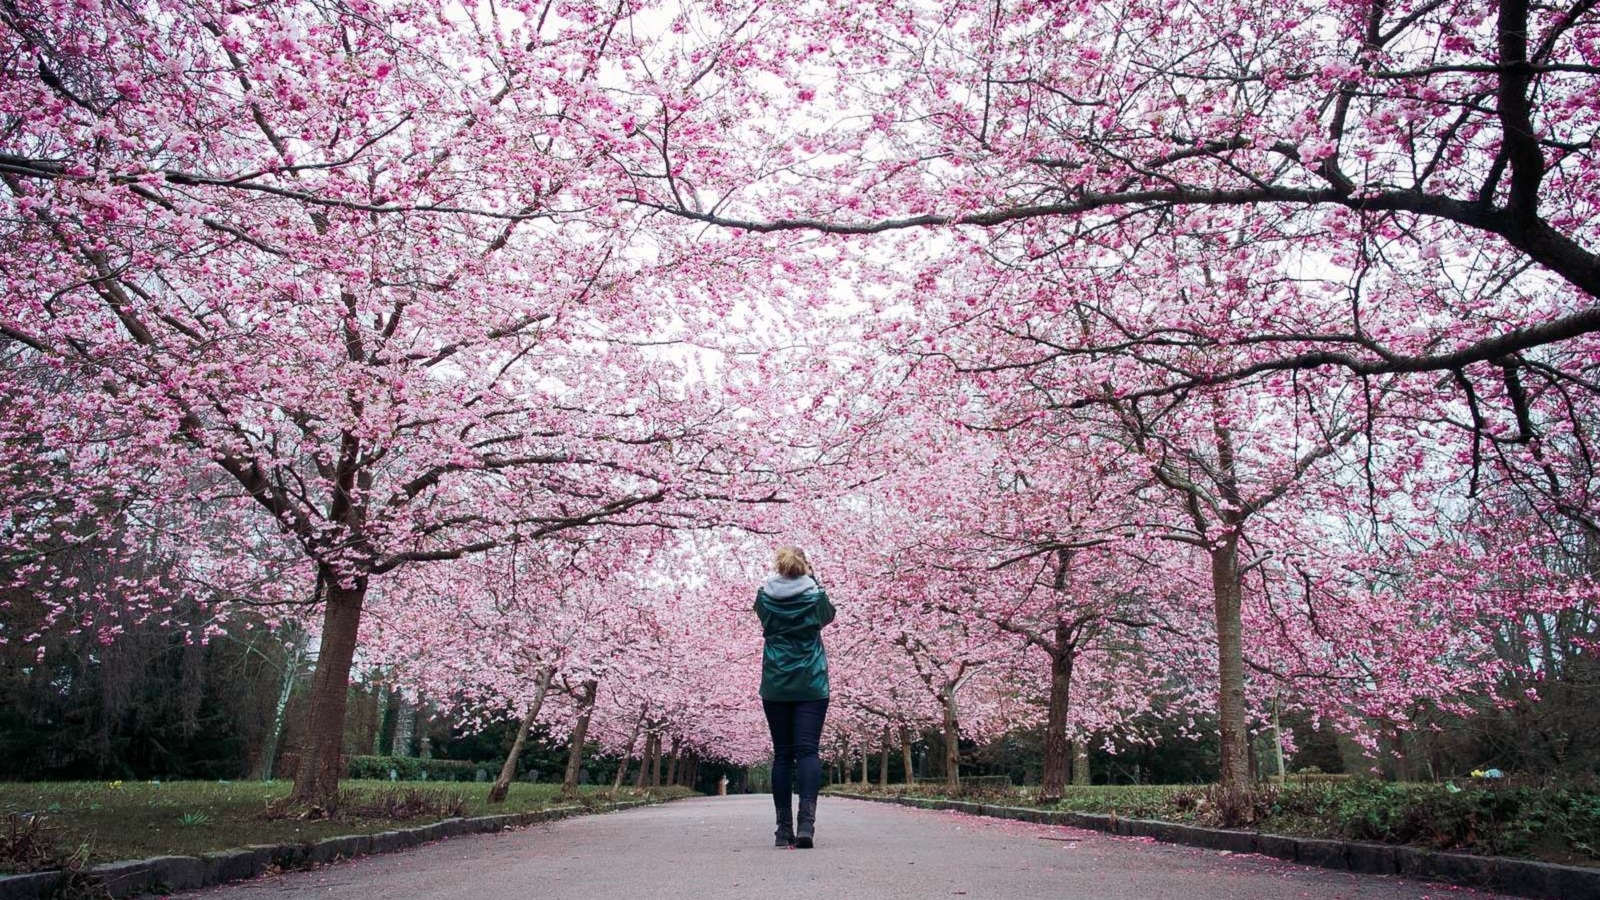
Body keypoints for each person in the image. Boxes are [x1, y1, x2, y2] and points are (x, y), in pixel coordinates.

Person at [755, 545, 835, 849]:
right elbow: (828, 616)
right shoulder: (815, 597)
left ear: (779, 567)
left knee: (783, 755)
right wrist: (818, 583)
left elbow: (762, 618)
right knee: (808, 752)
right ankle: (806, 826)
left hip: (776, 682)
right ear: (806, 567)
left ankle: (782, 829)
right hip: (811, 683)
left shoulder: (764, 596)